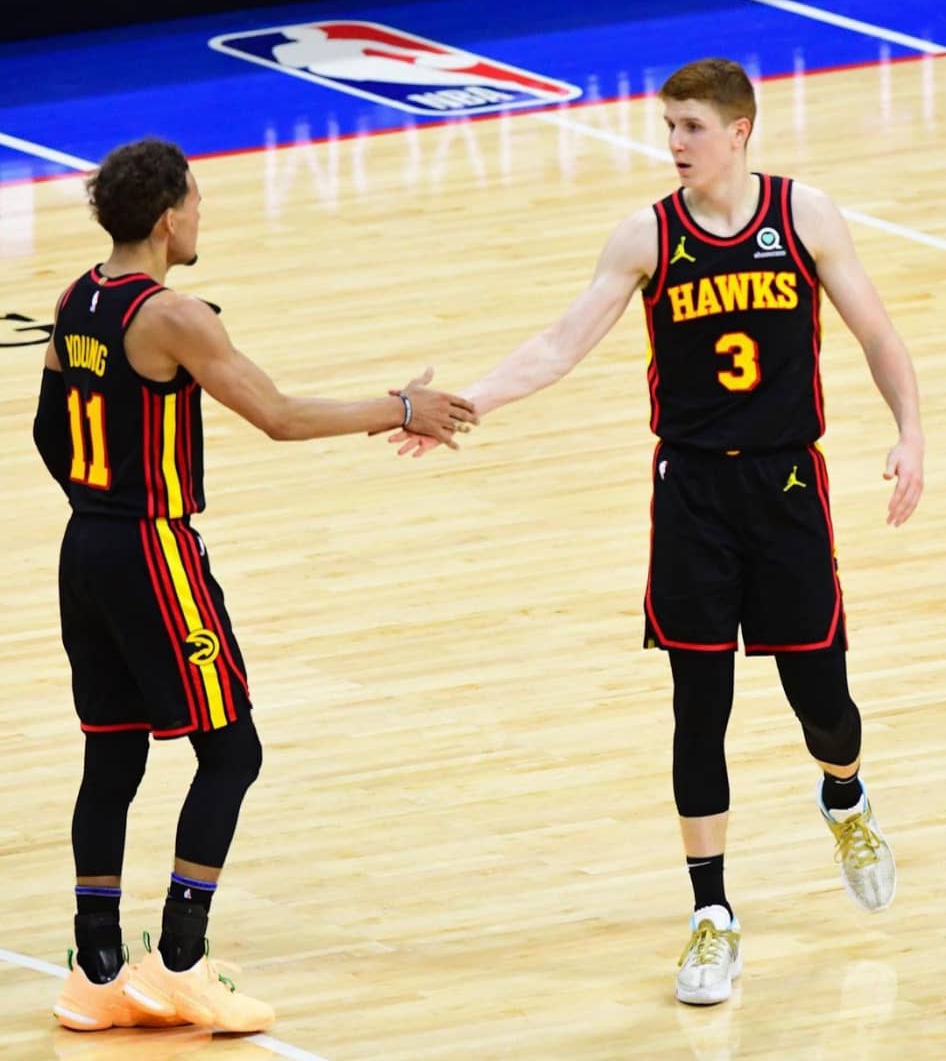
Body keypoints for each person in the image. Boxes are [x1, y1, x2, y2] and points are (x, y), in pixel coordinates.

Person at [388, 58, 923, 1006]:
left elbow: (879, 332)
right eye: (668, 126)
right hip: (691, 497)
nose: (673, 144)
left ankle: (844, 794)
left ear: (739, 131)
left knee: (823, 705)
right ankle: (712, 914)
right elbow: (559, 344)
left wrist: (910, 432)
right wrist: (462, 405)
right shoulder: (647, 236)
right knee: (698, 707)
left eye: (690, 127)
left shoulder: (804, 216)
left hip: (787, 488)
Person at [33, 137, 477, 1033]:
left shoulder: (75, 298)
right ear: (168, 217)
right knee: (232, 752)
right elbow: (277, 415)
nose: (200, 216)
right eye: (195, 203)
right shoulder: (171, 316)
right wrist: (401, 407)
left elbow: (49, 431)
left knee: (112, 758)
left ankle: (95, 969)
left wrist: (99, 499)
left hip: (85, 549)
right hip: (153, 550)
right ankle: (182, 960)